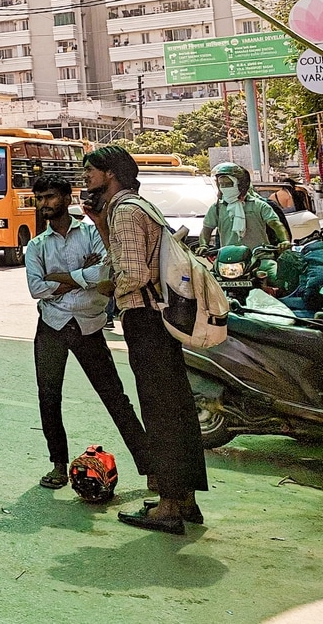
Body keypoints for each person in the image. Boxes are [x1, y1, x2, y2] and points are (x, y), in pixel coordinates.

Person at [84, 145, 207, 533]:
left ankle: (168, 507)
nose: (85, 176)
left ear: (110, 173)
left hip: (145, 320)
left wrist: (112, 290)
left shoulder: (125, 211)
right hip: (162, 320)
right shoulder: (140, 206)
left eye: (91, 170)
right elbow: (128, 258)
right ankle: (185, 500)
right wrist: (100, 224)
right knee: (177, 408)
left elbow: (134, 273)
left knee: (159, 412)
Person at [24, 174, 148, 490]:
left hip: (89, 325)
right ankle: (58, 465)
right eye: (40, 199)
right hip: (51, 326)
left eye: (50, 197)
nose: (44, 204)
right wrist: (84, 277)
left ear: (67, 199)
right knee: (48, 397)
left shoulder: (93, 232)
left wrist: (61, 277)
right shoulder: (36, 246)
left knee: (114, 397)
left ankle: (151, 469)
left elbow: (104, 270)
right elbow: (37, 288)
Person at [201, 162, 285, 250]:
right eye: (222, 184)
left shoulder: (259, 205)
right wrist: (203, 245)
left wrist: (284, 241)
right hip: (228, 255)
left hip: (258, 254)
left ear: (241, 185)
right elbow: (206, 229)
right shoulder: (217, 208)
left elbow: (275, 224)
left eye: (229, 184)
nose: (225, 188)